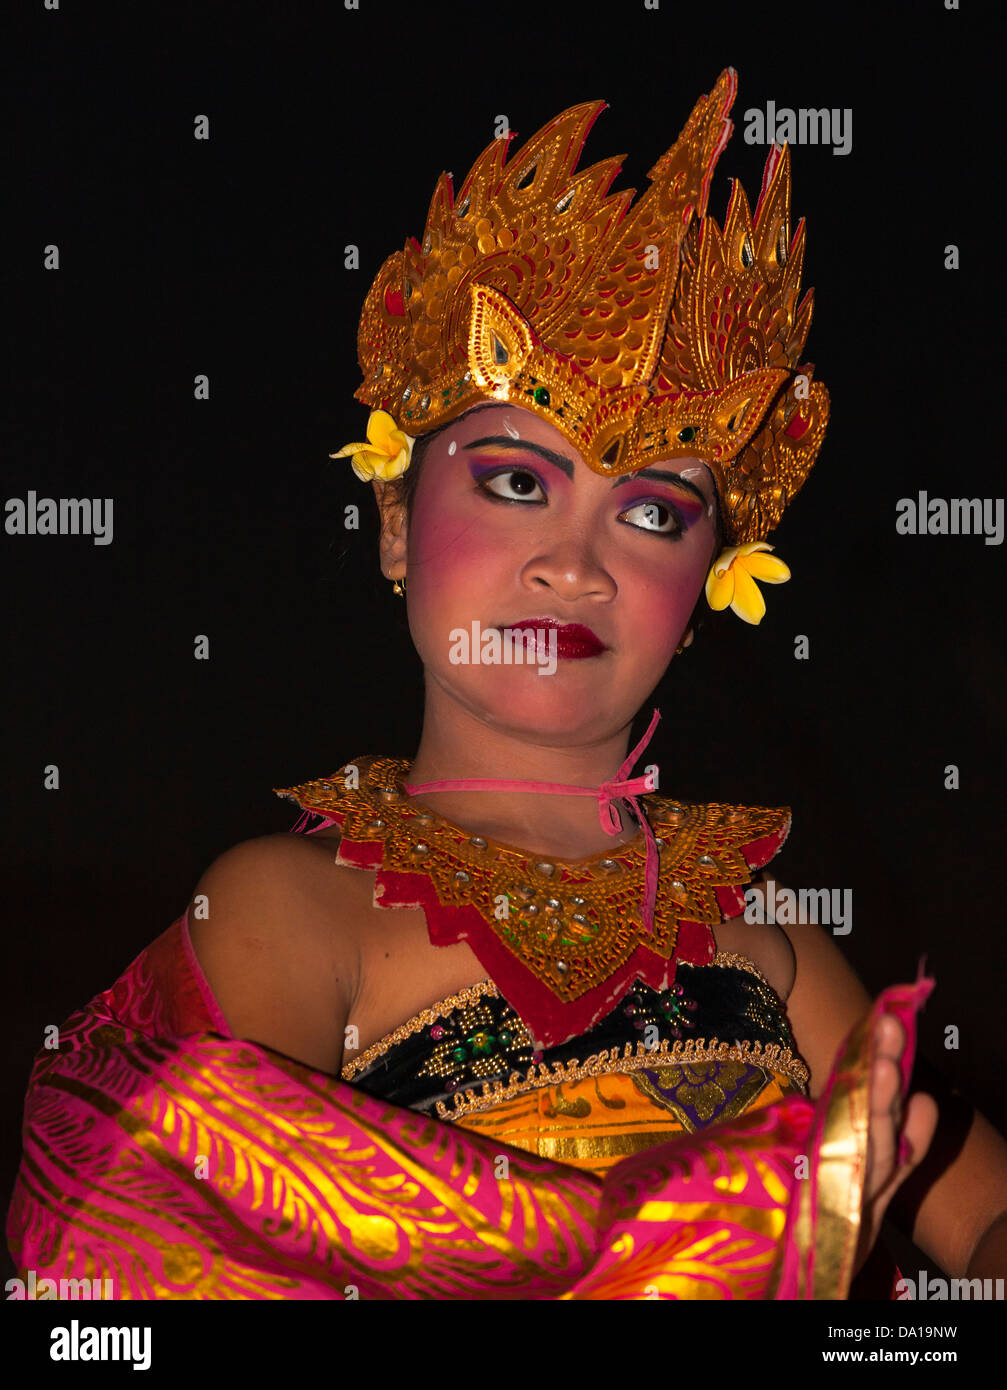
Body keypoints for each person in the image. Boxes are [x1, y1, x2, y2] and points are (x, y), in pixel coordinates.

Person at [8, 68, 1007, 1301]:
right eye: (517, 481)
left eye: (649, 509)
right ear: (391, 523)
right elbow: (177, 1241)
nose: (574, 563)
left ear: (707, 588)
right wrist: (707, 1240)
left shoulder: (778, 940)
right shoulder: (290, 907)